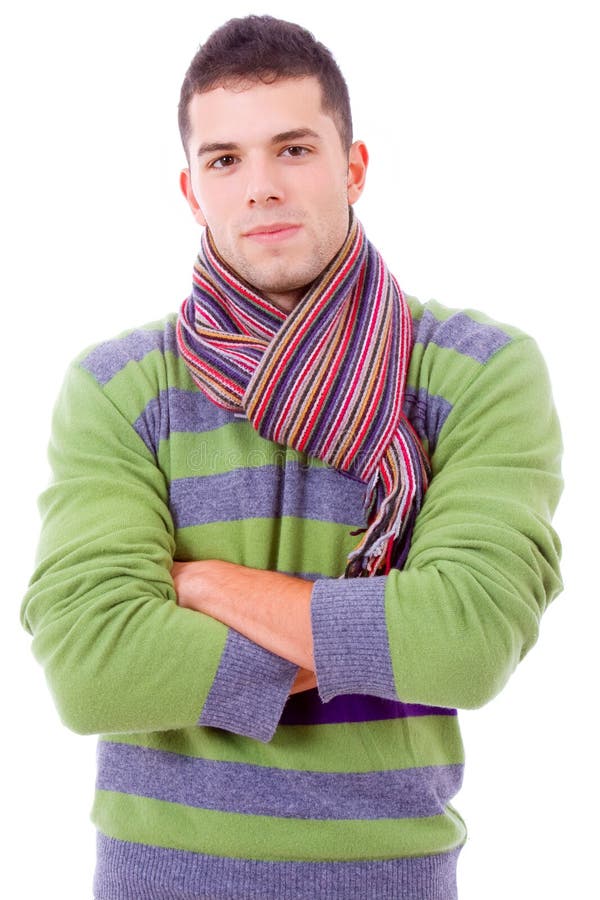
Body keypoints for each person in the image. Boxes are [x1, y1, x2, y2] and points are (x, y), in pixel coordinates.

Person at [21, 14, 563, 900]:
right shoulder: (121, 387)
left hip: (391, 877)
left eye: (294, 149)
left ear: (353, 168)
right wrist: (384, 641)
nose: (262, 187)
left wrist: (200, 585)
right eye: (226, 160)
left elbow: (466, 644)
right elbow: (90, 669)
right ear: (193, 191)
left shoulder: (475, 370)